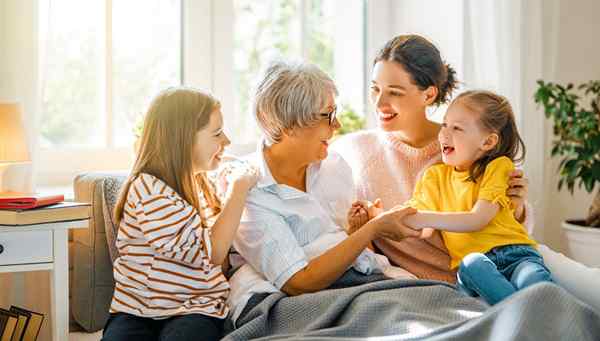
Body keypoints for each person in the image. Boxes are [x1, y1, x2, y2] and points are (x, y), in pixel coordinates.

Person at [332, 34, 600, 310]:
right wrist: (368, 223)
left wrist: (516, 207)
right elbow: (378, 231)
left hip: (517, 255)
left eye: (395, 92)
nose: (379, 103)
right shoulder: (353, 150)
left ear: (429, 93)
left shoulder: (467, 141)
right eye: (375, 89)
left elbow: (508, 225)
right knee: (545, 311)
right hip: (468, 275)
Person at [226, 60, 421, 324]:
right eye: (327, 115)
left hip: (358, 280)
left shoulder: (334, 166)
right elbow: (298, 282)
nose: (337, 124)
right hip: (301, 297)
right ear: (289, 124)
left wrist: (358, 229)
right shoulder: (249, 188)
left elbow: (346, 247)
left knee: (441, 306)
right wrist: (373, 229)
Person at [357, 90, 553, 305]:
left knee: (535, 281)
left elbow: (478, 219)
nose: (444, 135)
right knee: (472, 263)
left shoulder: (498, 167)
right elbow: (422, 229)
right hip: (474, 268)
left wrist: (423, 217)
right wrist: (381, 217)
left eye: (457, 128)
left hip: (517, 254)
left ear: (488, 142)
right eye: (444, 125)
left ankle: (527, 313)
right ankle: (525, 312)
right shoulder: (434, 176)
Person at [101, 87, 258, 341]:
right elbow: (214, 252)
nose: (227, 141)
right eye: (217, 133)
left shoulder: (202, 183)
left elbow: (222, 254)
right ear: (182, 141)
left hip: (197, 308)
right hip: (137, 311)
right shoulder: (148, 189)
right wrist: (239, 188)